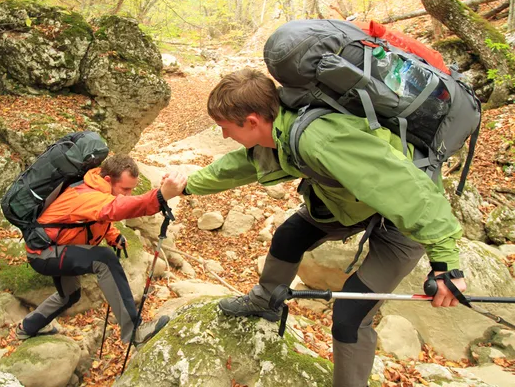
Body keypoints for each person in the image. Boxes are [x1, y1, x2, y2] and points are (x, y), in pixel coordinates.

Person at [183, 68, 466, 387]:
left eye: (224, 127)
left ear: (251, 121)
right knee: (290, 235)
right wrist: (187, 186)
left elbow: (410, 191)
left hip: (400, 220)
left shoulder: (321, 139)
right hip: (345, 203)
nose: (222, 135)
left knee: (350, 315)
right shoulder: (279, 131)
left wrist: (446, 266)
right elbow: (240, 166)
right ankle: (265, 301)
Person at [17, 155, 187, 347]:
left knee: (70, 295)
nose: (129, 194)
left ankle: (28, 327)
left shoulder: (95, 186)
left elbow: (96, 217)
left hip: (56, 247)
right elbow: (113, 209)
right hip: (45, 253)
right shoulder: (85, 194)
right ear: (108, 180)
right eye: (125, 189)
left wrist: (113, 236)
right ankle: (134, 332)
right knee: (104, 259)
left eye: (131, 189)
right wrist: (160, 195)